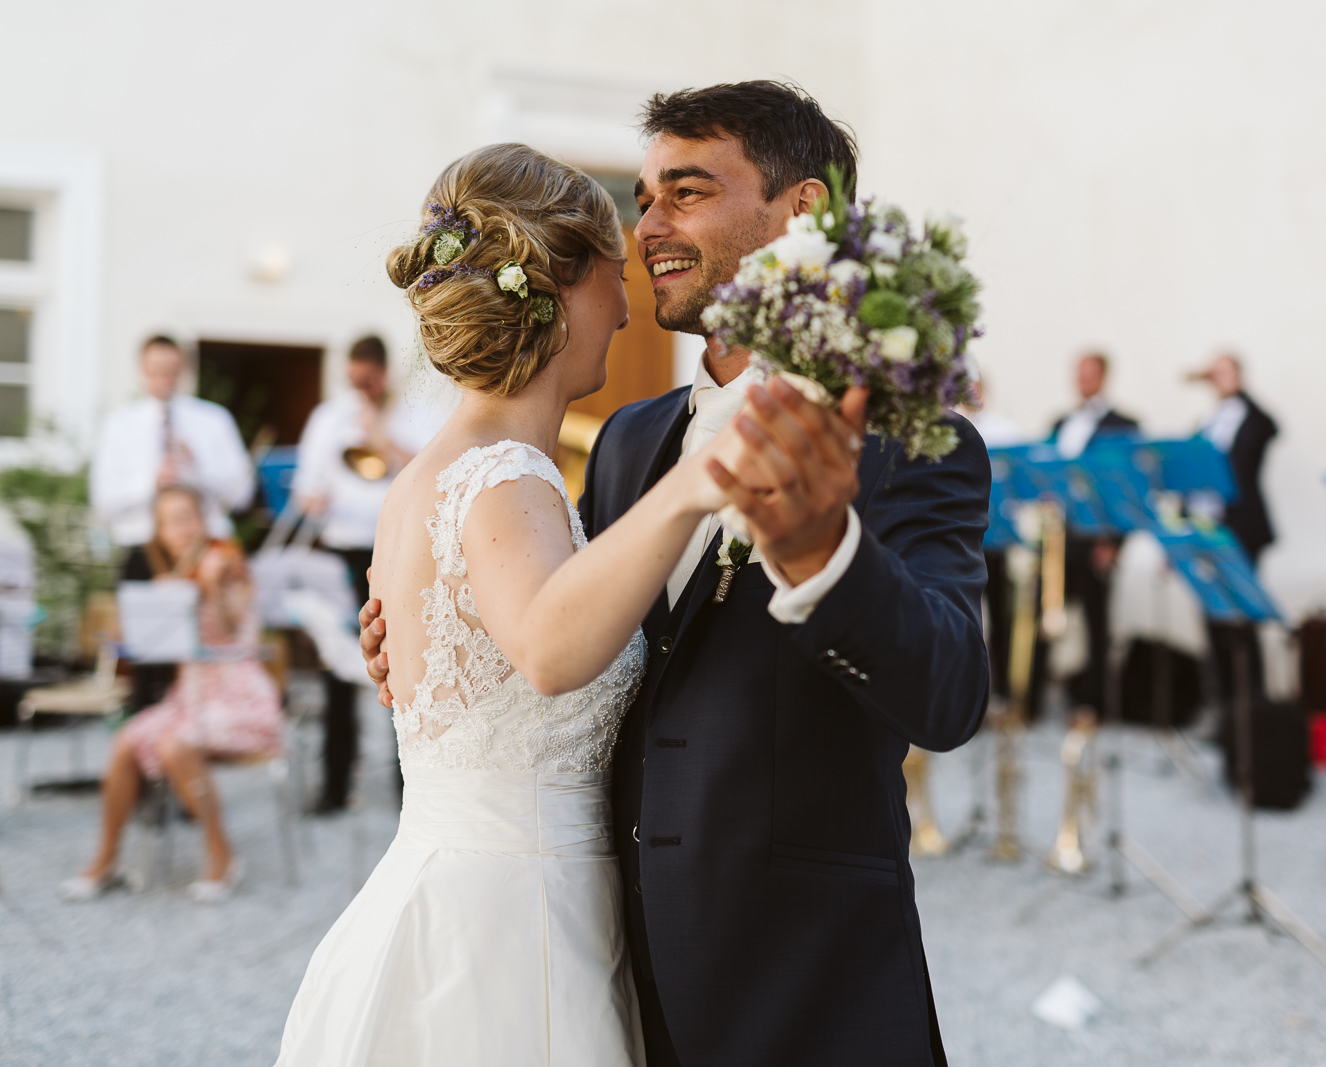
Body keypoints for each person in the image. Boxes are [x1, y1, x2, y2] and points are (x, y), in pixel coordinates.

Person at [354, 82, 988, 1067]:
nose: (645, 227)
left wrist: (825, 553)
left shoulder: (910, 442)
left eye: (683, 193)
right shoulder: (625, 441)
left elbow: (948, 694)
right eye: (642, 198)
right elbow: (579, 635)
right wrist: (444, 623)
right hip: (599, 972)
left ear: (803, 212)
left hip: (808, 996)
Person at [60, 486, 282, 904]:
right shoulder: (172, 576)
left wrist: (213, 593)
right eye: (167, 522)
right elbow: (147, 648)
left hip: (239, 693)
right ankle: (105, 860)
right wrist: (151, 612)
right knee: (125, 740)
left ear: (201, 520)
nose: (178, 529)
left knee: (175, 744)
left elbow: (239, 630)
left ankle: (222, 855)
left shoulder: (224, 563)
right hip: (191, 693)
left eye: (185, 518)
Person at [292, 335, 444, 813]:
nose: (362, 388)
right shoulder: (329, 419)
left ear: (383, 372)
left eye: (369, 380)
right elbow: (305, 487)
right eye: (355, 380)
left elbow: (432, 476)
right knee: (337, 669)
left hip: (397, 552)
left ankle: (409, 790)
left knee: (398, 663)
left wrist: (384, 438)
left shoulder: (416, 412)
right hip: (341, 550)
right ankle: (334, 785)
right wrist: (311, 500)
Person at [92, 336, 254, 711]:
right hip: (143, 553)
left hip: (204, 556)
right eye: (155, 371)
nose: (164, 379)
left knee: (200, 658)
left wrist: (197, 471)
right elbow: (103, 500)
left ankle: (190, 742)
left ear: (184, 370)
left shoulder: (212, 420)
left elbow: (243, 493)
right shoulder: (121, 425)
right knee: (145, 663)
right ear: (141, 372)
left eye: (171, 371)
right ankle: (149, 749)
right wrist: (148, 483)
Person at [1045, 351, 1139, 719]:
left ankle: (1094, 703)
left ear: (1104, 377)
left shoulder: (1124, 425)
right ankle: (1033, 701)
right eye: (1078, 374)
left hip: (1098, 538)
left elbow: (1128, 489)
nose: (1083, 381)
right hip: (1060, 538)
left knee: (1098, 624)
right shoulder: (1060, 422)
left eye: (1090, 374)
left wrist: (1115, 542)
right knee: (1046, 616)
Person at [1189, 352, 1278, 709]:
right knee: (1213, 619)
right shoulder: (1208, 421)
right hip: (1206, 529)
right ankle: (1225, 704)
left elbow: (1269, 429)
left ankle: (1251, 705)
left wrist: (1239, 391)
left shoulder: (1250, 417)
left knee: (1242, 619)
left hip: (1240, 530)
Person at [955, 372, 1026, 712]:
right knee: (961, 613)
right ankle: (961, 690)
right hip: (957, 537)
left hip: (994, 539)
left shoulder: (1003, 431)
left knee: (1000, 614)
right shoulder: (946, 428)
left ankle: (1000, 692)